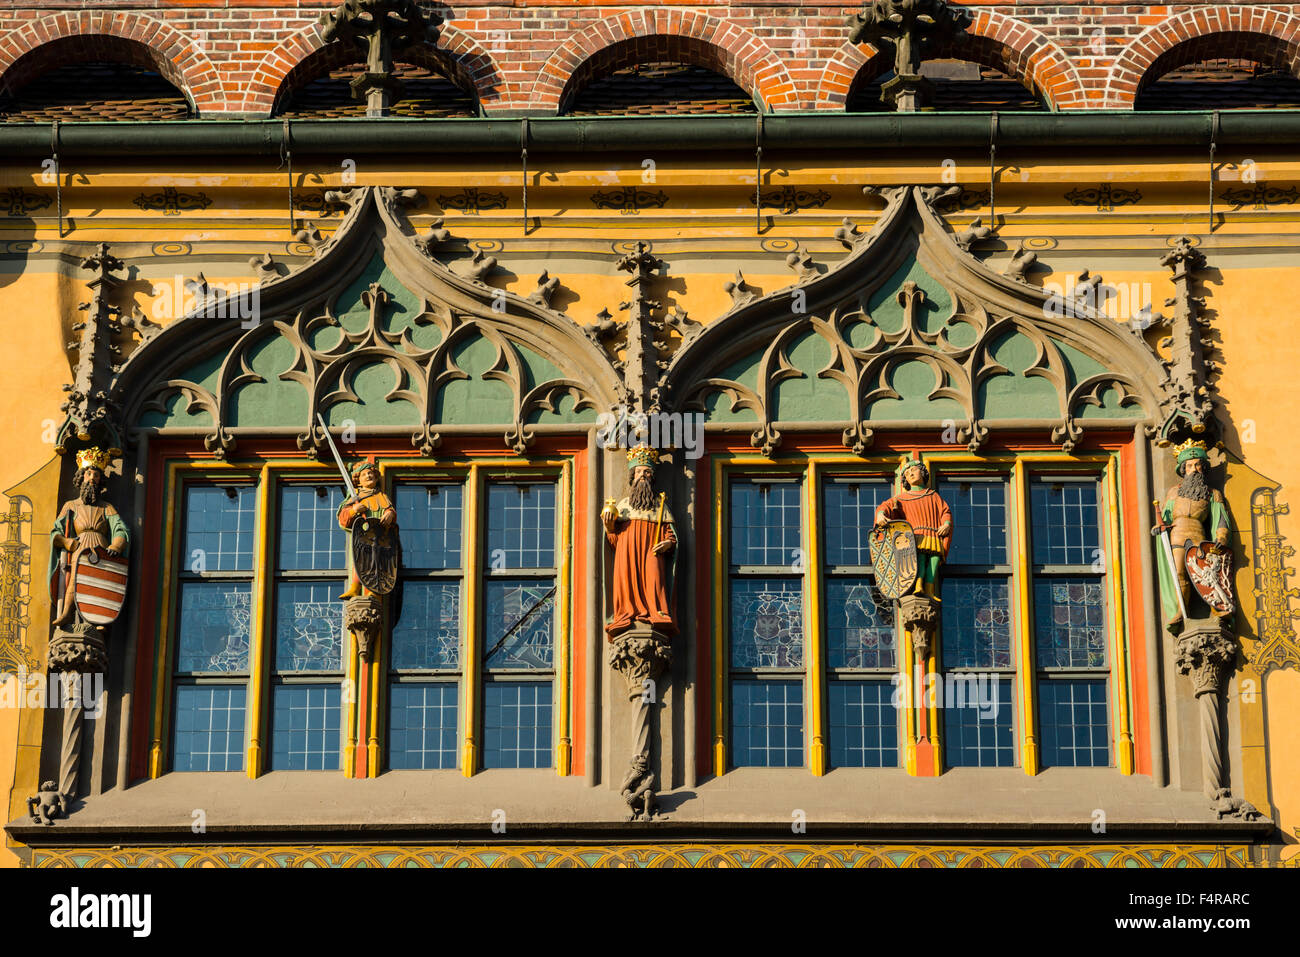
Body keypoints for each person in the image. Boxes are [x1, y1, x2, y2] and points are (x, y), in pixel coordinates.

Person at [1153, 439, 1231, 630]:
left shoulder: (1212, 494)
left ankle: (1215, 608)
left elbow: (1220, 518)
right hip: (1177, 534)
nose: (1193, 469)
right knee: (1179, 573)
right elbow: (1166, 517)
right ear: (1183, 469)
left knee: (1208, 574)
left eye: (1197, 465)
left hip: (1199, 535)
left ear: (1203, 468)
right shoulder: (1174, 492)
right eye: (1189, 466)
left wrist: (1221, 536)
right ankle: (1181, 610)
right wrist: (1159, 527)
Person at [603, 446, 676, 637]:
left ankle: (656, 612)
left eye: (647, 472)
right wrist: (610, 526)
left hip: (651, 552)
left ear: (652, 477)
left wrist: (669, 543)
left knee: (654, 580)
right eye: (638, 472)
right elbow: (613, 541)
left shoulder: (660, 507)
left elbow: (670, 533)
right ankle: (626, 613)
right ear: (632, 476)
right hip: (626, 554)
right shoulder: (624, 506)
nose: (642, 475)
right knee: (626, 582)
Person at [50, 447, 128, 626]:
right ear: (81, 477)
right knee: (77, 579)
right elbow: (55, 533)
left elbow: (120, 529)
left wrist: (116, 546)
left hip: (102, 547)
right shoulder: (71, 505)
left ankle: (101, 619)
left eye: (96, 476)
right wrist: (67, 542)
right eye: (89, 474)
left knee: (102, 581)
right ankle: (67, 613)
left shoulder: (106, 507)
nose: (92, 478)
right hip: (80, 546)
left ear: (100, 481)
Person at [873, 458, 952, 598]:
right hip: (916, 535)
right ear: (905, 480)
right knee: (919, 561)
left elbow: (945, 512)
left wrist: (946, 524)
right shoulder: (902, 498)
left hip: (933, 534)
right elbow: (885, 506)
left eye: (913, 470)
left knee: (934, 561)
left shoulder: (933, 495)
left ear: (922, 472)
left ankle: (929, 590)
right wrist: (880, 515)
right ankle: (918, 585)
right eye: (907, 473)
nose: (910, 474)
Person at [337, 457, 396, 599]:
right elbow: (343, 518)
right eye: (364, 474)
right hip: (363, 535)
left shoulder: (382, 496)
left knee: (378, 562)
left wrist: (390, 514)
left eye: (371, 474)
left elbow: (389, 510)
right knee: (361, 560)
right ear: (358, 480)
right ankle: (355, 587)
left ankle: (374, 591)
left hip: (381, 535)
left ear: (376, 477)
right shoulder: (355, 496)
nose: (368, 476)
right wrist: (354, 510)